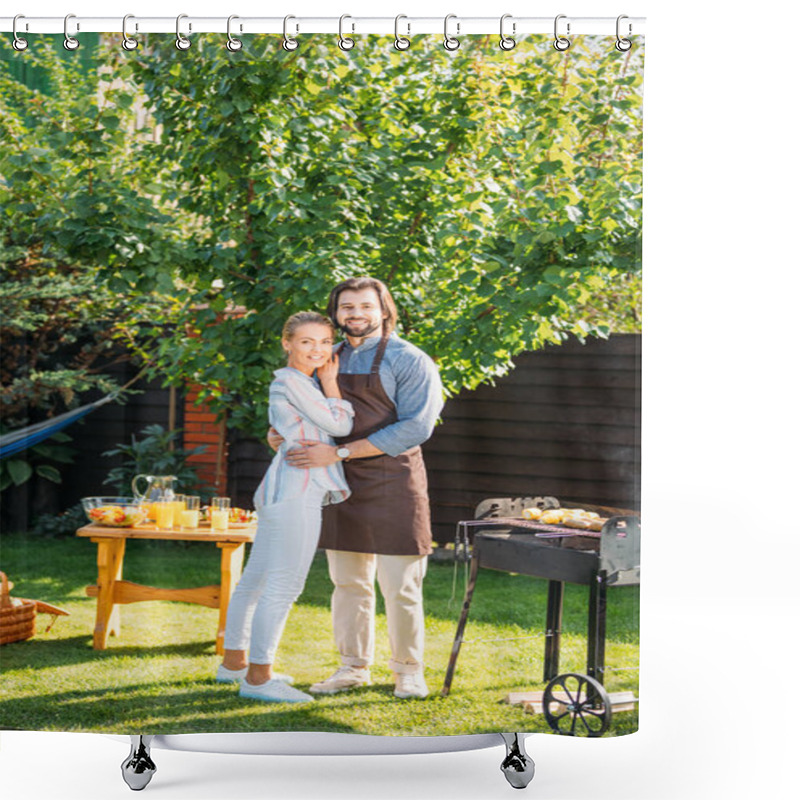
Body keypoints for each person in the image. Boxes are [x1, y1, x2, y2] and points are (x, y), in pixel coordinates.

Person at [278, 277, 444, 700]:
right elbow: (306, 411)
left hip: (393, 482)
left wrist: (341, 453)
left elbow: (417, 427)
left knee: (400, 586)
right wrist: (281, 435)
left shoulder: (410, 360)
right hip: (337, 485)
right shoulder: (324, 358)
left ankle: (408, 670)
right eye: (347, 307)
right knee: (348, 583)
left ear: (384, 310)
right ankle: (352, 667)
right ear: (335, 313)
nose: (356, 314)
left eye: (365, 306)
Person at [217, 311, 354, 703]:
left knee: (256, 581)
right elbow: (340, 425)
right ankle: (259, 679)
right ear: (287, 343)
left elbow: (296, 430)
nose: (318, 350)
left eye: (325, 342)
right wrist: (331, 382)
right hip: (297, 492)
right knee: (283, 585)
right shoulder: (298, 382)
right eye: (307, 341)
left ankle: (233, 664)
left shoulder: (291, 383)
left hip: (281, 489)